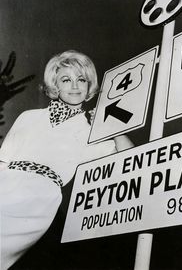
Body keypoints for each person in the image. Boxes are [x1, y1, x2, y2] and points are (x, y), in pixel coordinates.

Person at [0, 50, 133, 270]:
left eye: (81, 79)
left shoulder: (92, 131)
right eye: (66, 79)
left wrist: (112, 128)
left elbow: (131, 159)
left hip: (38, 199)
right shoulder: (29, 116)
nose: (75, 86)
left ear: (89, 85)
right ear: (55, 85)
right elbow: (3, 161)